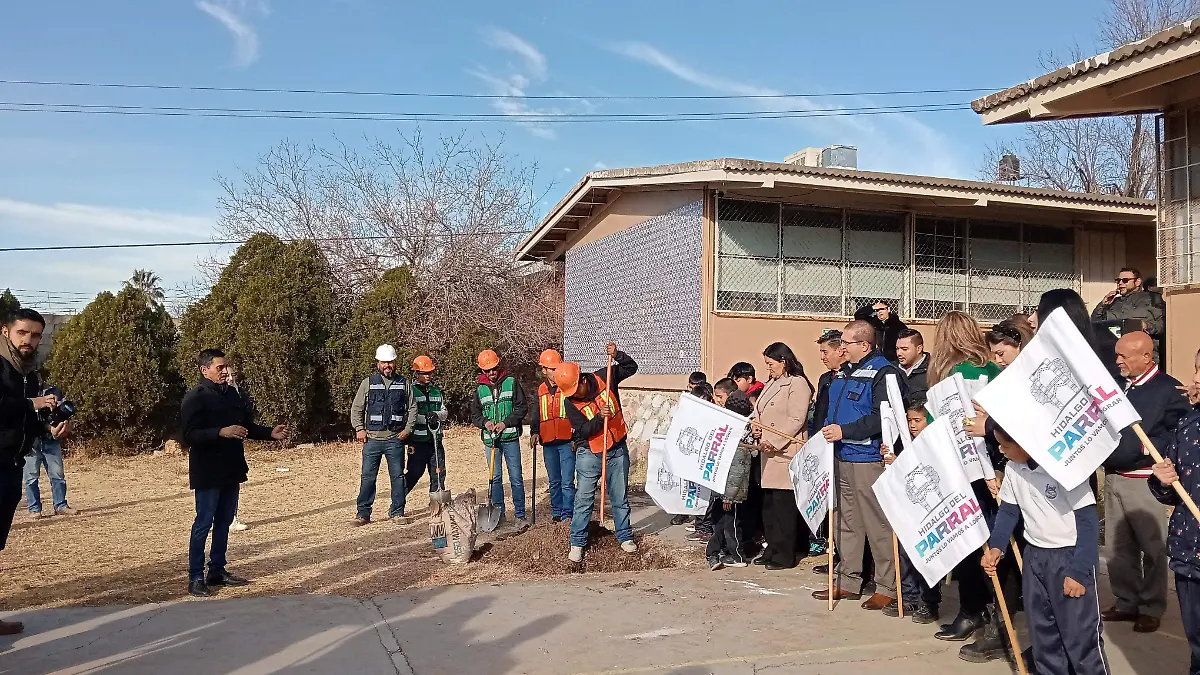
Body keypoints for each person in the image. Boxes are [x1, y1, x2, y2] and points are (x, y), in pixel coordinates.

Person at [982, 425, 1109, 675]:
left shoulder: (1064, 469)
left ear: (1024, 444)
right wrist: (997, 546)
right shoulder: (1013, 468)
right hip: (1035, 556)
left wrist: (1079, 571)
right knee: (1043, 632)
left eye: (1005, 446)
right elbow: (1008, 511)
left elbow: (1087, 521)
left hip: (1069, 557)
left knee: (1080, 634)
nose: (1000, 450)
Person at [1100, 331, 1189, 634]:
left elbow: (1179, 432)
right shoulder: (1118, 386)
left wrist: (1144, 448)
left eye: (1124, 356)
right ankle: (1126, 601)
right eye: (1117, 355)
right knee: (1117, 547)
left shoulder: (1169, 389)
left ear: (1146, 357)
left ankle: (1151, 607)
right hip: (1113, 478)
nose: (1118, 361)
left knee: (1152, 548)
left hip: (1146, 481)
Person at [181, 349, 288, 598]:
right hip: (208, 471)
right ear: (204, 370)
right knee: (203, 523)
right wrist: (220, 431)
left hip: (231, 468)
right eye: (220, 367)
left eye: (226, 366)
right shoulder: (195, 397)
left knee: (225, 522)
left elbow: (246, 427)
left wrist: (269, 432)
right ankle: (195, 577)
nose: (225, 371)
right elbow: (188, 435)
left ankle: (217, 571)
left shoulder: (232, 394)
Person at [813, 320, 902, 609]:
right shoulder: (843, 373)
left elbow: (882, 418)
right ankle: (848, 580)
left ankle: (887, 586)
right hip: (840, 456)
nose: (841, 348)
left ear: (864, 345)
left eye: (846, 343)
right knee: (845, 521)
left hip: (868, 458)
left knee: (877, 524)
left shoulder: (884, 372)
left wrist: (845, 431)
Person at [926, 311, 1004, 643]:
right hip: (992, 464)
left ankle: (973, 610)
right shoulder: (994, 370)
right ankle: (990, 608)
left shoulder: (956, 374)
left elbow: (940, 424)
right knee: (990, 539)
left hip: (966, 467)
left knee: (971, 544)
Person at [0, 308, 57, 635]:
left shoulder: (29, 373)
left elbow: (25, 422)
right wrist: (32, 404)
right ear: (6, 331)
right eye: (23, 332)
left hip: (11, 466)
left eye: (36, 335)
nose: (30, 340)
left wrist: (49, 427)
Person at [557, 343, 639, 562]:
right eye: (570, 393)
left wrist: (618, 354)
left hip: (617, 449)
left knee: (619, 497)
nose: (574, 396)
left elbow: (632, 367)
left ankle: (624, 537)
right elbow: (582, 431)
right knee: (583, 499)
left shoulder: (606, 376)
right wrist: (597, 419)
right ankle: (577, 542)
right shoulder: (570, 402)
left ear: (582, 380)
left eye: (576, 391)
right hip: (590, 453)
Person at [1149, 379, 1200, 675]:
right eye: (1197, 370)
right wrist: (1162, 478)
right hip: (1189, 550)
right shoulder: (1188, 425)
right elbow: (1169, 491)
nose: (1196, 379)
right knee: (1196, 639)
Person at [749, 342, 813, 570]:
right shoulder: (771, 383)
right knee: (769, 506)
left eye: (771, 364)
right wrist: (756, 426)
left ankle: (785, 553)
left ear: (783, 361)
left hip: (785, 451)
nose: (769, 369)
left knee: (783, 506)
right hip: (768, 451)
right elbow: (759, 411)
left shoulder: (797, 384)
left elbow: (796, 419)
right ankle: (773, 547)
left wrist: (774, 441)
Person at [880, 398, 942, 623]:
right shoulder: (906, 443)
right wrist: (893, 459)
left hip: (929, 509)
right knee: (905, 554)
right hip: (909, 509)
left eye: (918, 420)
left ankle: (930, 601)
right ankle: (908, 595)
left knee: (926, 555)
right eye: (909, 421)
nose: (913, 425)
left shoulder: (935, 443)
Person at [350, 344, 410, 526]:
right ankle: (363, 514)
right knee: (368, 477)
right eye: (384, 362)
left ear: (395, 362)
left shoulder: (404, 383)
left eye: (390, 362)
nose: (387, 365)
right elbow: (357, 408)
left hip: (395, 439)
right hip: (372, 440)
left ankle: (397, 512)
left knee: (398, 477)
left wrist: (407, 430)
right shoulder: (367, 383)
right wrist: (359, 428)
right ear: (378, 363)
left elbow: (413, 408)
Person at [471, 349, 530, 529]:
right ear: (482, 371)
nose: (491, 373)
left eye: (494, 369)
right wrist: (485, 422)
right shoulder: (479, 389)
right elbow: (475, 414)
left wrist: (505, 423)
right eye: (487, 370)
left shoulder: (511, 382)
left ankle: (520, 515)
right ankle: (499, 516)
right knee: (495, 478)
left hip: (510, 438)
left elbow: (522, 407)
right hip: (491, 441)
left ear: (499, 366)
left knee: (516, 477)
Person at [807, 329, 846, 559]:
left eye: (825, 351)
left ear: (840, 350)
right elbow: (819, 411)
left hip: (841, 442)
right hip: (821, 440)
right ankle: (823, 542)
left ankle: (840, 553)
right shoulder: (825, 378)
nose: (822, 356)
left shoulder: (849, 375)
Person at [708, 392, 755, 570]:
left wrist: (729, 497)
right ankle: (717, 551)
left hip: (730, 494)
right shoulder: (739, 436)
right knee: (720, 523)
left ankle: (737, 556)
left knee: (731, 525)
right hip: (724, 490)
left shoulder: (738, 443)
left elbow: (736, 473)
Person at [531, 349, 575, 522]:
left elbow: (575, 413)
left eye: (557, 368)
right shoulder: (540, 390)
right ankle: (557, 513)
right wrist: (535, 432)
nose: (555, 371)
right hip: (548, 442)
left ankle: (568, 514)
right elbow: (536, 413)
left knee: (567, 482)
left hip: (566, 441)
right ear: (544, 370)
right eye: (551, 369)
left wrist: (575, 437)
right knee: (554, 481)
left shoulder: (567, 387)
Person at [23, 385, 74, 518]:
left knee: (58, 474)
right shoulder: (22, 390)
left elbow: (64, 413)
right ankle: (34, 509)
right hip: (31, 440)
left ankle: (61, 505)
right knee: (31, 477)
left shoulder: (54, 391)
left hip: (50, 439)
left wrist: (62, 419)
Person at [402, 355, 449, 497]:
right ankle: (398, 501)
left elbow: (444, 412)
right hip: (417, 441)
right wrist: (426, 419)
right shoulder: (411, 391)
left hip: (435, 440)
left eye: (429, 372)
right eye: (424, 373)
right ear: (417, 374)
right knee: (415, 473)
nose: (428, 376)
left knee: (439, 474)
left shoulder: (436, 391)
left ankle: (437, 505)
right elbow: (409, 416)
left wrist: (435, 415)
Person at [1091, 267, 1165, 352]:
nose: (1120, 283)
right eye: (1118, 280)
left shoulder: (1152, 299)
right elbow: (1095, 323)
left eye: (1125, 280)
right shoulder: (1113, 302)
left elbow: (1165, 324)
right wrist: (1102, 304)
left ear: (1137, 282)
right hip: (1115, 353)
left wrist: (1146, 326)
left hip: (1141, 354)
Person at [894, 328, 929, 399]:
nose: (899, 353)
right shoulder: (891, 369)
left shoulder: (933, 370)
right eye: (897, 349)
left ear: (919, 349)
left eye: (904, 349)